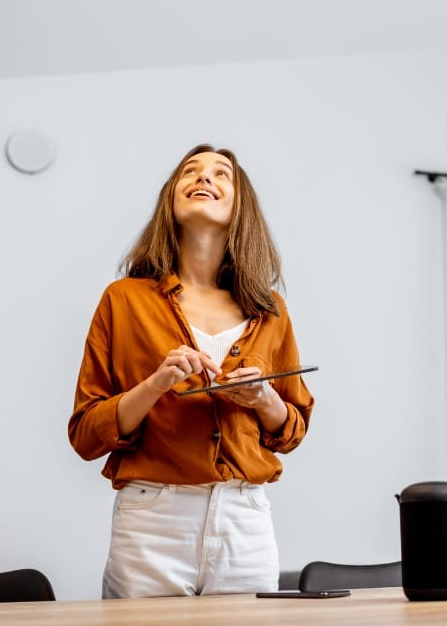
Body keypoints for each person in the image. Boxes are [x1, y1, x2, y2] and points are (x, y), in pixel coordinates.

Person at [68, 144, 314, 598]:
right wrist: (156, 383)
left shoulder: (270, 310)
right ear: (171, 200)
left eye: (222, 174)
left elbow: (292, 430)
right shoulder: (123, 300)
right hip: (152, 524)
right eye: (190, 172)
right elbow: (85, 434)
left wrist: (264, 400)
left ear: (242, 206)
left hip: (245, 522)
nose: (204, 178)